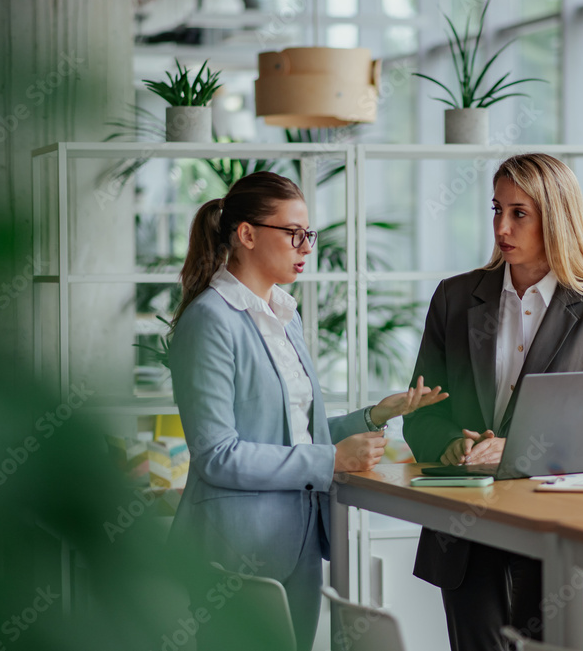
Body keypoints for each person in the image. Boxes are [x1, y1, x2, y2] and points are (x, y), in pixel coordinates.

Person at [166, 171, 446, 651]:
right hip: (236, 550)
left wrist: (374, 416)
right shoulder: (210, 321)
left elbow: (293, 436)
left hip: (296, 543)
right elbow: (217, 455)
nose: (306, 246)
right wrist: (332, 461)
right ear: (247, 235)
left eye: (309, 233)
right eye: (293, 233)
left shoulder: (283, 315)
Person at [402, 153, 583, 651]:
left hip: (552, 533)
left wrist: (513, 450)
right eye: (495, 209)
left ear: (556, 217)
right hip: (465, 532)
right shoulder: (455, 298)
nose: (501, 226)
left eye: (519, 213)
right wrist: (449, 443)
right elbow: (421, 415)